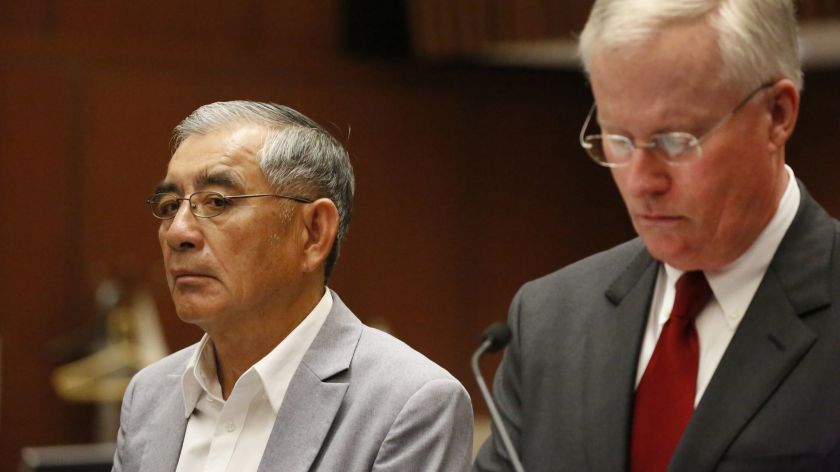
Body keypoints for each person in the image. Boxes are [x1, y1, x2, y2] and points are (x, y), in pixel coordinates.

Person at [474, 1, 840, 471]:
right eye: (620, 141)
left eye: (676, 140)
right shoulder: (549, 320)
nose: (642, 180)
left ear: (777, 114)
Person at [113, 101, 473, 471]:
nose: (177, 233)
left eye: (217, 202)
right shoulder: (149, 395)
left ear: (314, 232)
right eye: (171, 205)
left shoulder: (408, 404)